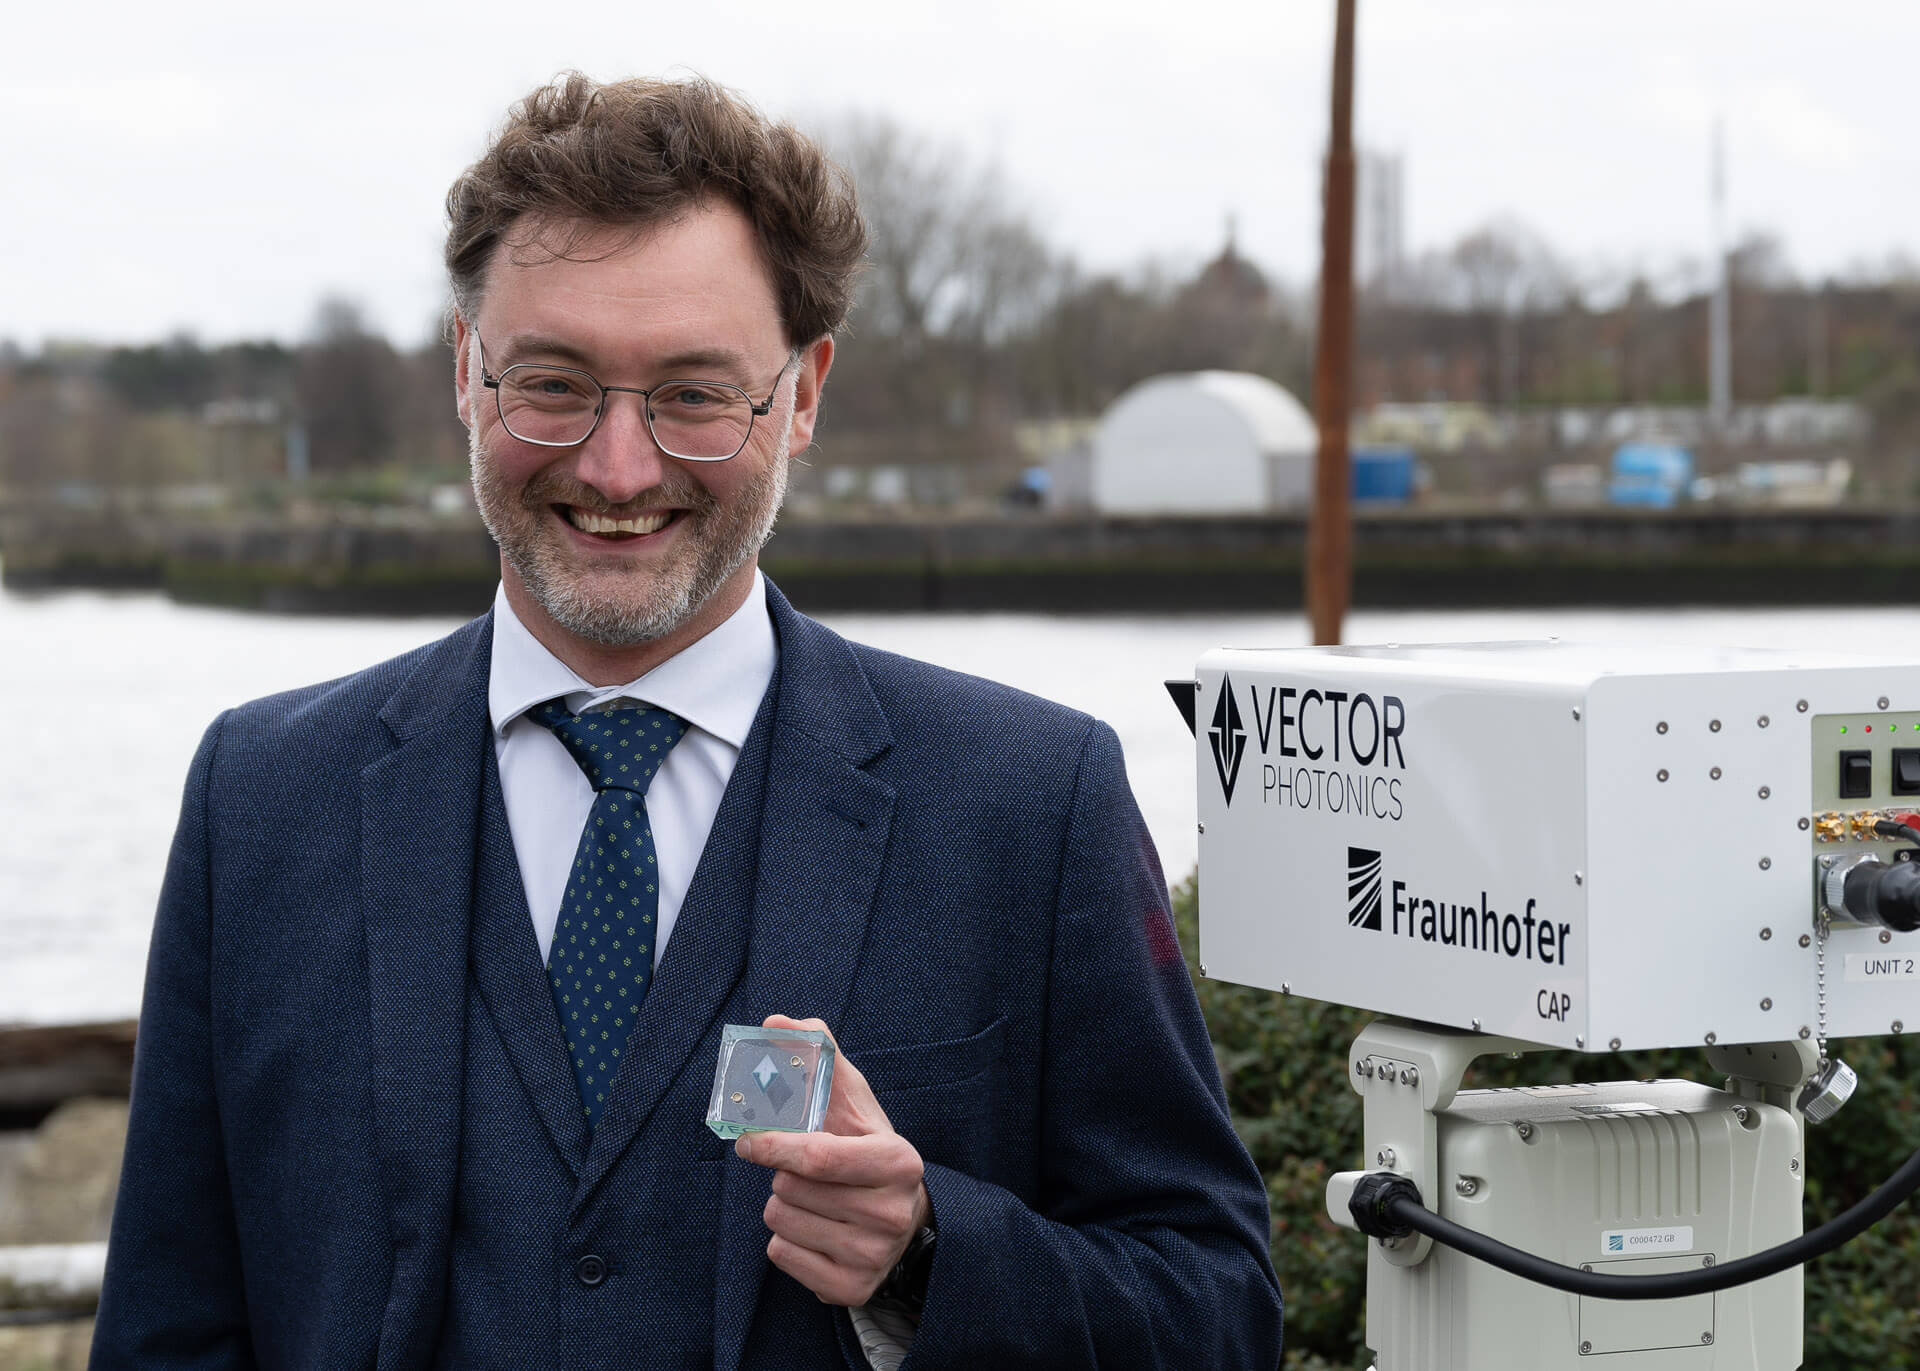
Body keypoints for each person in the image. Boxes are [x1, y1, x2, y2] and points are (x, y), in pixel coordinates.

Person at [92, 73, 1282, 1369]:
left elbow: (1215, 1314)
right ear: (465, 374)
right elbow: (170, 1328)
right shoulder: (263, 798)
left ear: (805, 392)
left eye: (696, 395)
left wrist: (931, 1254)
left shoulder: (1028, 801)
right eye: (550, 382)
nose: (617, 466)